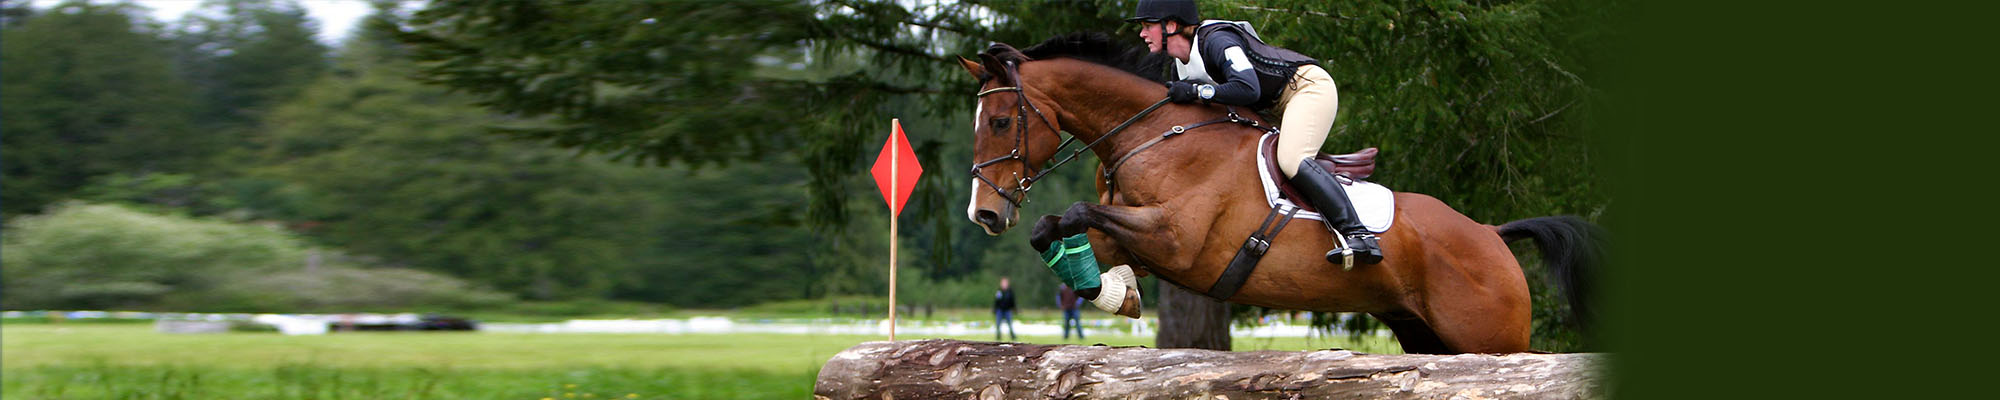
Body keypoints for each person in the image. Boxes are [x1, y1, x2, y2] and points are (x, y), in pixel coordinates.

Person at [1127, 0, 1382, 265]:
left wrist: (1196, 92)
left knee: (1291, 159)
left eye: (1147, 26)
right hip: (1274, 105)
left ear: (1171, 25)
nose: (1142, 34)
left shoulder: (1217, 41)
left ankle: (1359, 234)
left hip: (1306, 89)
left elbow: (1248, 89)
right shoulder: (1180, 65)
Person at [993, 277, 1018, 341]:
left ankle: (1013, 336)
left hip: (1007, 310)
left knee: (1010, 324)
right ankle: (998, 336)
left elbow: (1013, 301)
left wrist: (1015, 309)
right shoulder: (999, 291)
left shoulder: (1010, 292)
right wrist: (994, 309)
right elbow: (996, 301)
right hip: (1000, 310)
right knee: (998, 324)